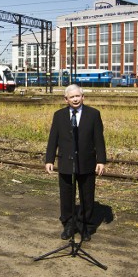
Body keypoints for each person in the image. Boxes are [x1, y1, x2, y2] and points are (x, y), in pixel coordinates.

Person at [45, 84, 106, 241]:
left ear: (83, 97)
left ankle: (85, 226)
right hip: (66, 162)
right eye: (72, 97)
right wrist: (49, 159)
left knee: (87, 195)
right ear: (66, 99)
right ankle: (69, 224)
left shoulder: (93, 114)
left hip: (86, 162)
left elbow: (99, 139)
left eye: (78, 96)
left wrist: (101, 160)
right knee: (66, 196)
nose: (75, 99)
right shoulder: (58, 115)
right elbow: (53, 139)